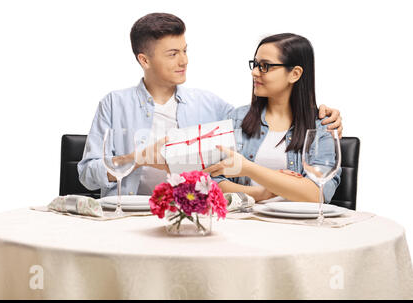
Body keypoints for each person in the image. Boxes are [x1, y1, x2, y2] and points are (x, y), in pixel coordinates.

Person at [78, 13, 342, 198]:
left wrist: (325, 114)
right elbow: (87, 175)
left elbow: (218, 170)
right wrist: (138, 158)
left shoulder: (213, 107)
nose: (185, 61)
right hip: (127, 217)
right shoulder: (113, 104)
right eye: (173, 54)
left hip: (192, 216)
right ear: (144, 60)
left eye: (185, 50)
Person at [204, 33, 341, 204]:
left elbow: (318, 193)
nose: (254, 72)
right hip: (246, 222)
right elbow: (212, 180)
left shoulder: (322, 126)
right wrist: (261, 193)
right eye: (255, 64)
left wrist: (248, 168)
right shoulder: (237, 119)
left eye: (265, 66)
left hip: (298, 227)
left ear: (295, 74)